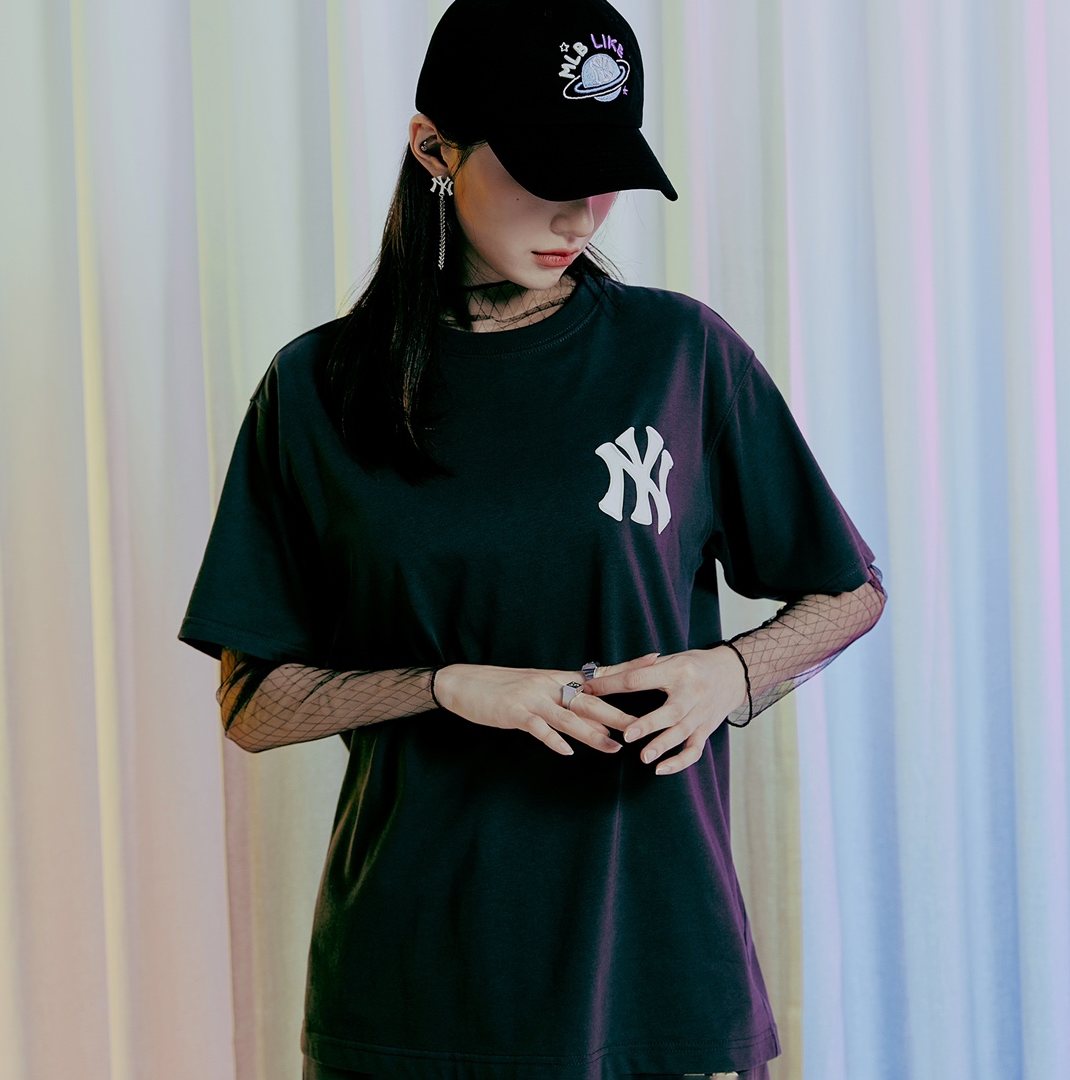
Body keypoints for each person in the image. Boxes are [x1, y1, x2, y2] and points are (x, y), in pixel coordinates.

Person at [179, 1, 886, 1078]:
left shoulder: (678, 354)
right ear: (434, 149)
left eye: (604, 178)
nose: (579, 214)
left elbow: (849, 588)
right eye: (545, 172)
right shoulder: (318, 388)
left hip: (655, 965)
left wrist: (730, 673)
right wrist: (451, 686)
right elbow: (256, 703)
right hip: (415, 980)